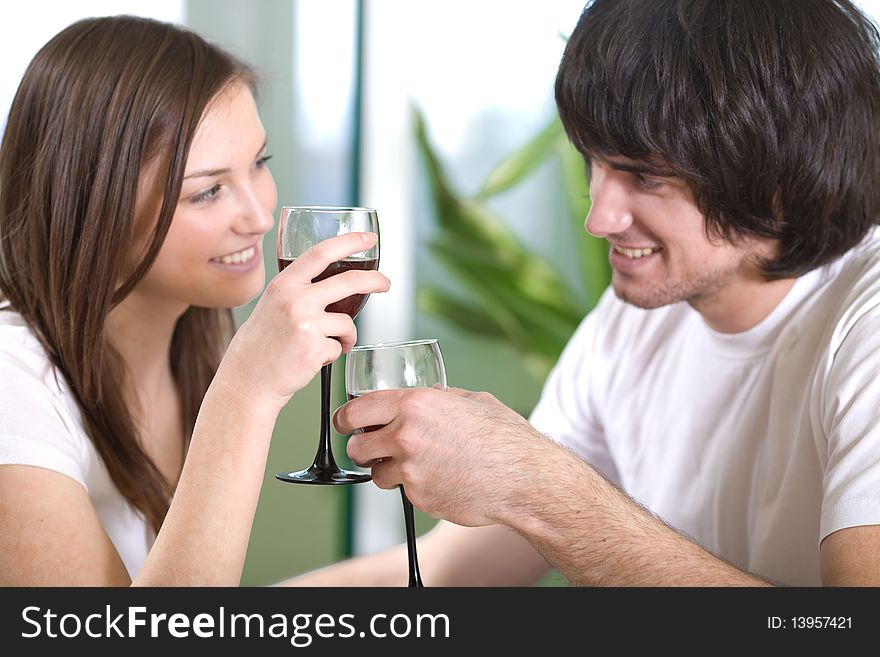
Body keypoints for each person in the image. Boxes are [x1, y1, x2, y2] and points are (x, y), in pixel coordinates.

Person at [291, 0, 880, 586]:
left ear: (778, 174)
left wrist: (537, 485)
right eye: (591, 163)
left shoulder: (865, 323)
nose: (598, 219)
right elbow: (456, 572)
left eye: (645, 176)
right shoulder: (636, 320)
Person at [0, 16, 389, 585]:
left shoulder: (183, 337)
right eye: (206, 191)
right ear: (93, 206)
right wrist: (246, 391)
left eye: (259, 163)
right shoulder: (12, 379)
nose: (259, 218)